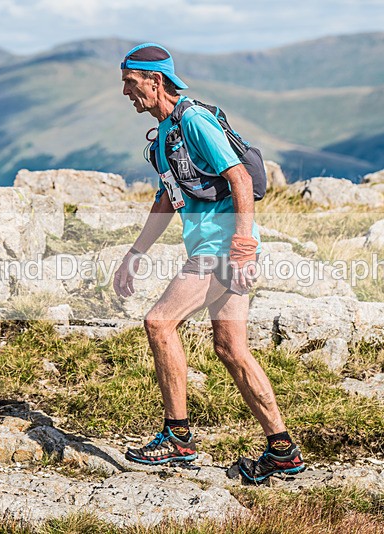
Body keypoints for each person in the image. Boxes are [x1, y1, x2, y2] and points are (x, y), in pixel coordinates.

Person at [114, 43, 305, 483]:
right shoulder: (163, 135)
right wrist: (135, 253)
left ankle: (178, 439)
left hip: (221, 249)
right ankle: (283, 451)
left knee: (159, 323)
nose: (126, 92)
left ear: (154, 80)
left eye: (130, 82)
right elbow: (167, 199)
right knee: (231, 348)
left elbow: (238, 177)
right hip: (216, 246)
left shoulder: (194, 120)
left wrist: (240, 244)